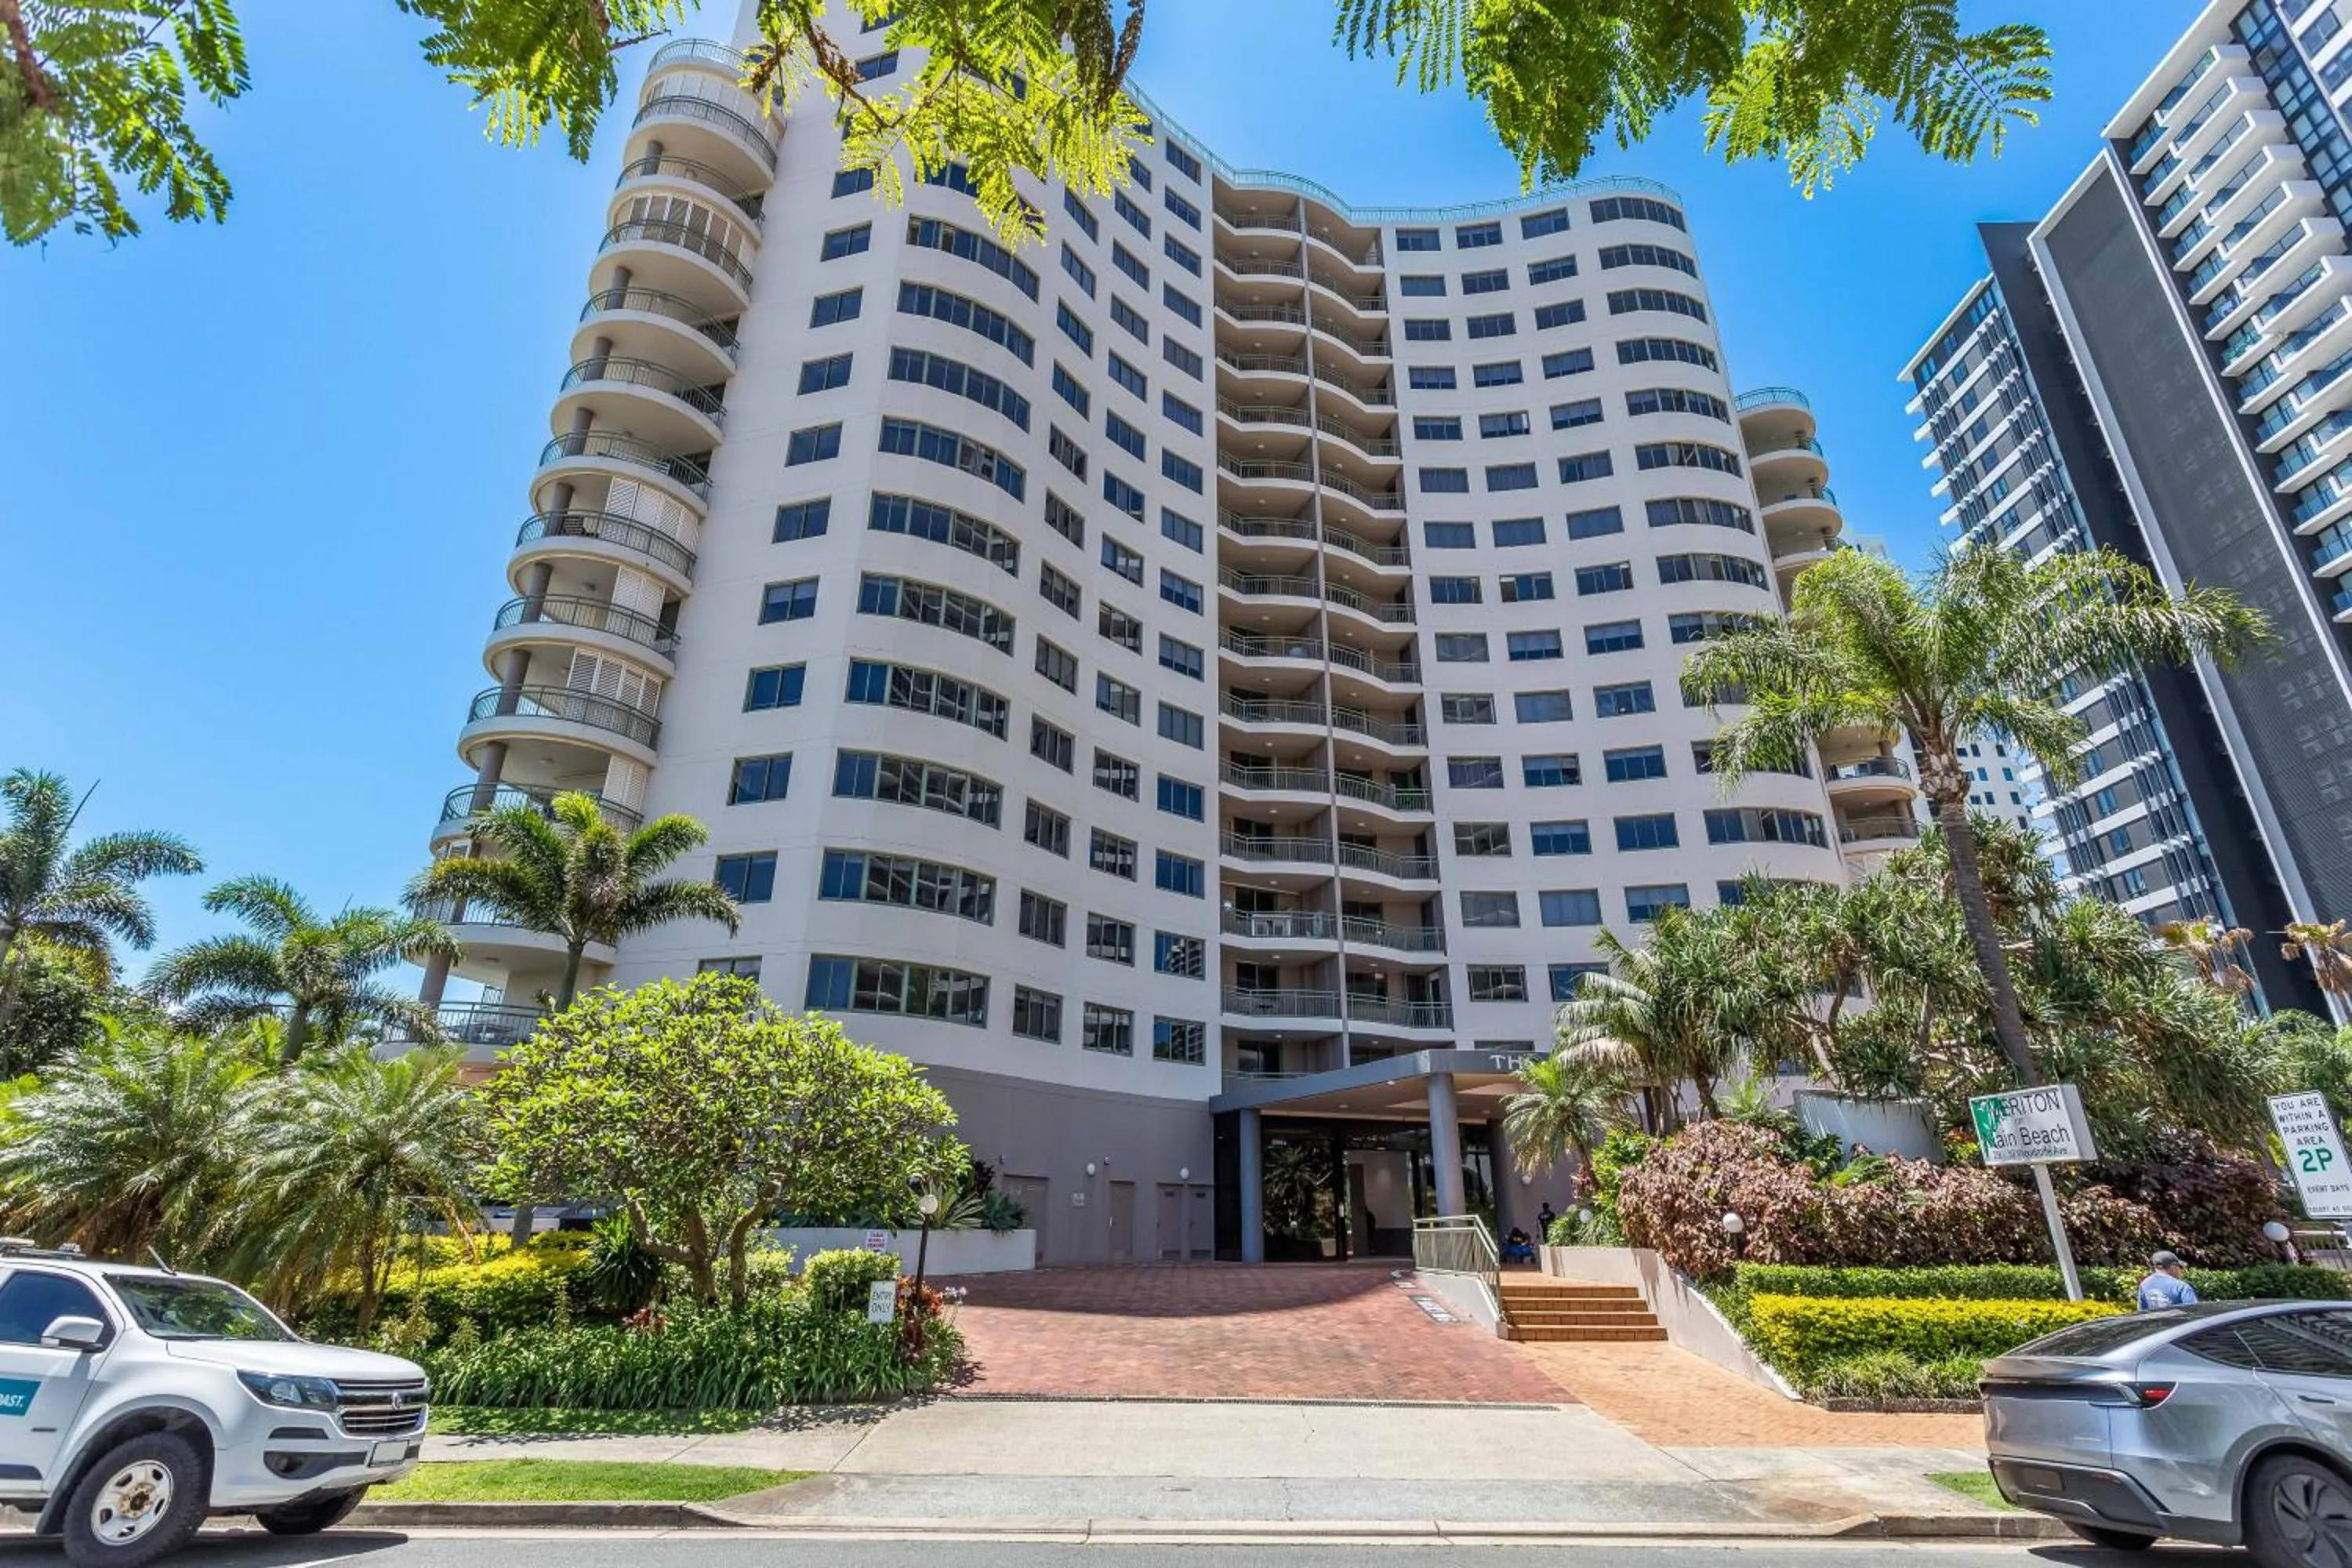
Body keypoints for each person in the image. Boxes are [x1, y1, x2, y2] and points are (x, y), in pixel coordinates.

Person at [2136, 1250, 2200, 1311]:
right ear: (2173, 1267)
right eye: (2180, 1267)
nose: (2181, 1271)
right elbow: (2194, 1312)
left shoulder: (2144, 1284)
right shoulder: (2182, 1287)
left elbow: (2142, 1313)